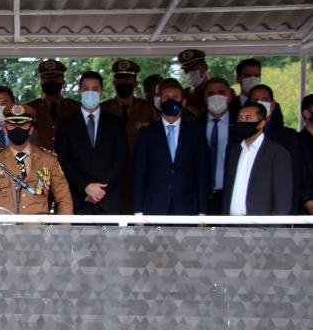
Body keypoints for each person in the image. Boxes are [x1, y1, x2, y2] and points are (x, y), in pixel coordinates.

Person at [0, 103, 73, 216]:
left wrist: (63, 226)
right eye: (12, 125)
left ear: (31, 129)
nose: (17, 129)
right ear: (5, 129)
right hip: (5, 226)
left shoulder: (48, 160)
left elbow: (64, 198)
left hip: (38, 226)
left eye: (22, 125)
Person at [133, 79, 209, 216]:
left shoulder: (196, 132)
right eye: (166, 97)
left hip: (187, 206)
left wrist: (202, 212)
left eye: (175, 97)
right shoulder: (147, 133)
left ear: (183, 102)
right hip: (154, 206)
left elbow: (202, 173)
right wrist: (138, 211)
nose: (170, 101)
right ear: (160, 102)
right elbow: (139, 173)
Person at [55, 71, 128, 215]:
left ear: (101, 92)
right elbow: (63, 161)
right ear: (79, 91)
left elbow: (121, 160)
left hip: (109, 201)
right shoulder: (66, 124)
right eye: (86, 88)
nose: (90, 92)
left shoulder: (116, 123)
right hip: (78, 201)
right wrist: (85, 187)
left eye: (95, 89)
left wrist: (100, 190)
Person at [101, 60, 157, 213]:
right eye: (120, 80)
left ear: (135, 83)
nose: (124, 84)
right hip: (111, 173)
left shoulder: (147, 109)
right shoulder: (104, 109)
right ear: (114, 83)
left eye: (128, 80)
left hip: (139, 171)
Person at [223, 102, 292, 216]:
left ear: (262, 123)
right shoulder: (234, 150)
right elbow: (228, 190)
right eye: (240, 119)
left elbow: (283, 196)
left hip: (261, 225)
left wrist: (275, 225)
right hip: (231, 223)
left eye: (248, 118)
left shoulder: (277, 153)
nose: (243, 122)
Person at [247, 84, 308, 214]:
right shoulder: (239, 135)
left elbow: (296, 175)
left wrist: (292, 213)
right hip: (246, 206)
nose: (260, 104)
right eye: (255, 100)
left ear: (273, 104)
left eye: (264, 99)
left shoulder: (288, 136)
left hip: (278, 208)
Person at [26, 59, 81, 151]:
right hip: (39, 159)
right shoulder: (30, 109)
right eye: (46, 78)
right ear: (41, 82)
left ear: (63, 80)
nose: (51, 81)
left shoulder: (76, 108)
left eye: (55, 77)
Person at [203, 78, 235, 215]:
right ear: (205, 98)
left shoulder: (239, 126)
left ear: (230, 97)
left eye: (221, 92)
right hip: (200, 196)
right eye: (211, 93)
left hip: (230, 195)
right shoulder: (194, 126)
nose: (216, 97)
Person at [178, 49, 210, 117]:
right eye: (186, 70)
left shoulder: (221, 92)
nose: (190, 73)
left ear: (205, 67)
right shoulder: (184, 96)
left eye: (193, 68)